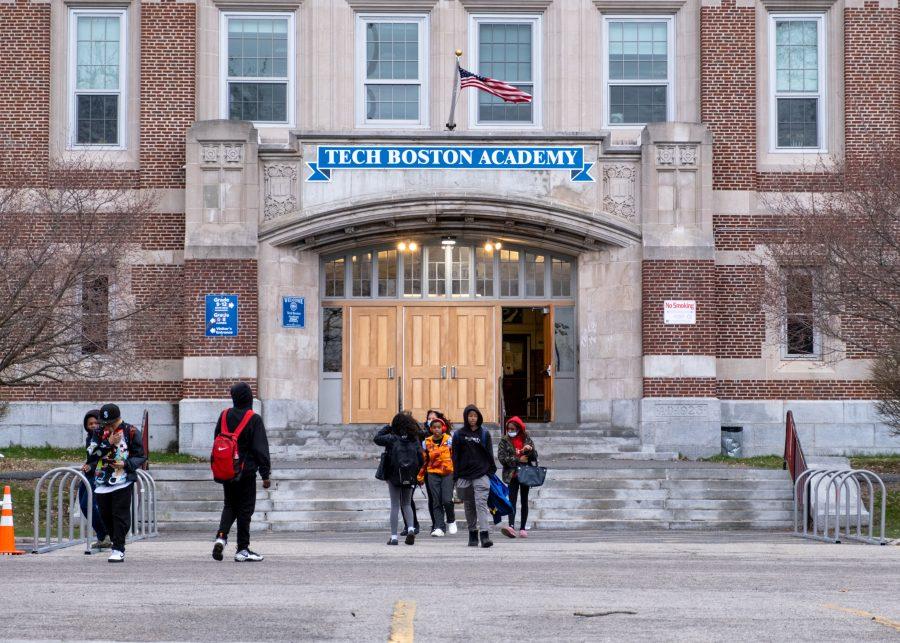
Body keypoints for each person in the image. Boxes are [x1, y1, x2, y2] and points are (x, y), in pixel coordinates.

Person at [212, 382, 272, 563]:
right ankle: (242, 549)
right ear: (248, 397)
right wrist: (265, 474)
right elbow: (261, 449)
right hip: (245, 473)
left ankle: (221, 537)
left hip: (226, 471)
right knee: (245, 510)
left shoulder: (224, 416)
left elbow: (217, 440)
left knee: (229, 506)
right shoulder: (253, 419)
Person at [85, 404, 146, 563]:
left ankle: (118, 548)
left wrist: (126, 464)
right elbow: (92, 454)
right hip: (102, 480)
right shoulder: (98, 433)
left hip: (123, 480)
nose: (109, 426)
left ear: (118, 419)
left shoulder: (131, 432)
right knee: (105, 515)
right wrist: (108, 442)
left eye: (112, 423)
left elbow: (140, 456)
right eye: (106, 423)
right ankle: (115, 539)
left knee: (119, 514)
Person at [374, 413, 424, 546]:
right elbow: (421, 458)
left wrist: (388, 427)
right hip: (410, 475)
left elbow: (376, 438)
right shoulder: (414, 439)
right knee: (407, 503)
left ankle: (394, 537)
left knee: (395, 505)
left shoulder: (391, 438)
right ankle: (411, 529)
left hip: (394, 475)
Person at [452, 405, 497, 548]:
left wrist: (489, 472)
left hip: (481, 474)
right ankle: (472, 534)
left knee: (481, 504)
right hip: (464, 475)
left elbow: (489, 453)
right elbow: (455, 456)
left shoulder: (484, 434)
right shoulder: (459, 434)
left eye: (475, 416)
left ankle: (485, 535)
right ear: (466, 417)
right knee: (469, 505)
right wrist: (456, 475)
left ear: (478, 417)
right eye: (470, 415)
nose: (472, 418)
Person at [497, 416, 538, 539]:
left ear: (519, 429)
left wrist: (530, 450)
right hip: (512, 475)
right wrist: (518, 459)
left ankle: (523, 528)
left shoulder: (526, 439)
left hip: (525, 474)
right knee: (512, 500)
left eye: (513, 428)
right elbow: (502, 458)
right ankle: (511, 526)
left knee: (524, 500)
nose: (510, 430)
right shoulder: (504, 440)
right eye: (508, 428)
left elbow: (535, 456)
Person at [78, 409, 110, 549]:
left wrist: (90, 465)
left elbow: (100, 455)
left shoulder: (104, 436)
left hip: (99, 473)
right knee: (82, 504)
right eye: (90, 423)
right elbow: (92, 456)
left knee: (88, 504)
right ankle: (102, 535)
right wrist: (88, 464)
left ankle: (106, 534)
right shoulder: (89, 437)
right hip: (89, 473)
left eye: (96, 422)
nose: (93, 425)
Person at [419, 416, 455, 537]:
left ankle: (451, 519)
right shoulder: (426, 442)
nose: (436, 430)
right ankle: (439, 527)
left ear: (443, 428)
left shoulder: (449, 440)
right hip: (432, 473)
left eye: (439, 427)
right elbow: (424, 460)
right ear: (431, 429)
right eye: (434, 427)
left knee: (447, 500)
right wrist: (420, 475)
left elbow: (455, 456)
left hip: (447, 473)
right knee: (436, 501)